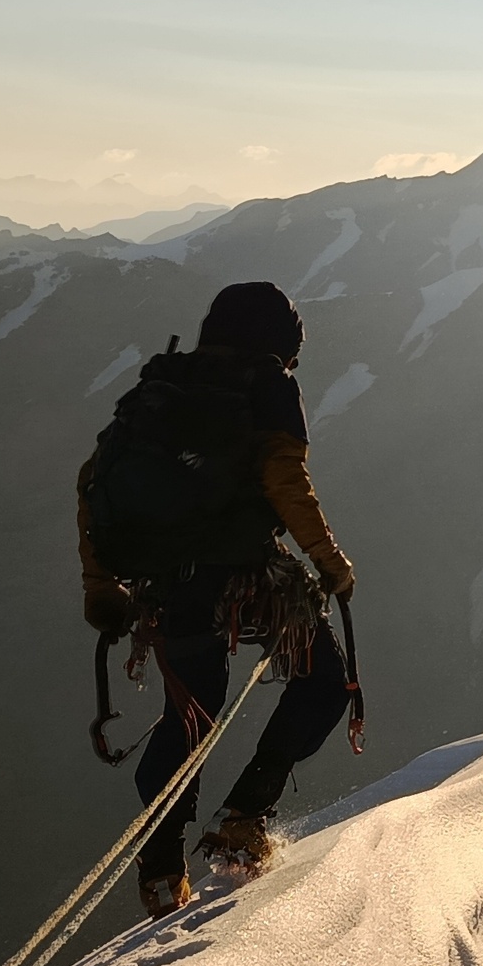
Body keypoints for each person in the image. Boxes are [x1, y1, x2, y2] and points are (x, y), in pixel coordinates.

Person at [77, 280, 358, 918]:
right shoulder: (268, 385)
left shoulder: (162, 385)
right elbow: (285, 478)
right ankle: (244, 821)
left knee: (189, 717)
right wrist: (330, 562)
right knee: (323, 683)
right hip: (247, 575)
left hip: (167, 584)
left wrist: (100, 586)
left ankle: (161, 868)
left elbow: (92, 481)